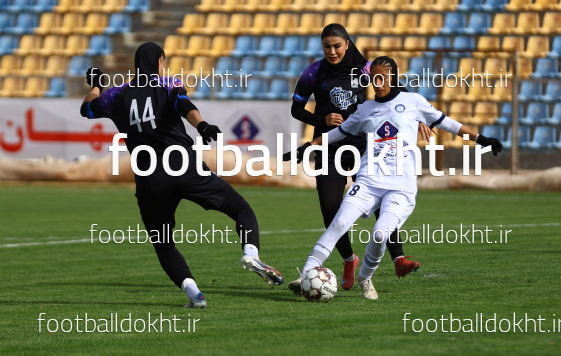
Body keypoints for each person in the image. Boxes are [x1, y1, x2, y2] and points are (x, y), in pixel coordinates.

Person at [79, 42, 283, 308]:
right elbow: (183, 103)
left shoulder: (116, 95)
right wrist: (202, 125)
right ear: (159, 62)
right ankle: (251, 253)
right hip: (183, 166)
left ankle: (194, 294)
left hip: (149, 178)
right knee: (241, 209)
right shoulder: (167, 83)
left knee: (163, 244)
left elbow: (87, 109)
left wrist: (96, 85)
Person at [290, 55, 502, 299]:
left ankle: (365, 278)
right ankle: (306, 274)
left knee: (380, 234)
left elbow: (448, 124)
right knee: (339, 222)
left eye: (382, 77)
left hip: (400, 186)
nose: (378, 83)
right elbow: (338, 133)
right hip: (368, 181)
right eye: (374, 78)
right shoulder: (365, 109)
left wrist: (481, 139)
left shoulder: (413, 101)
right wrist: (309, 146)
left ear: (393, 77)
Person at [287, 24, 427, 295]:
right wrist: (321, 120)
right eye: (327, 46)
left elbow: (399, 92)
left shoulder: (365, 68)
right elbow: (296, 109)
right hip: (330, 147)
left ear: (347, 44)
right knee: (331, 208)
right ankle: (349, 259)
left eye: (337, 46)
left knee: (382, 200)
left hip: (365, 145)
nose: (332, 51)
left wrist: (420, 117)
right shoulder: (313, 72)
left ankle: (398, 258)